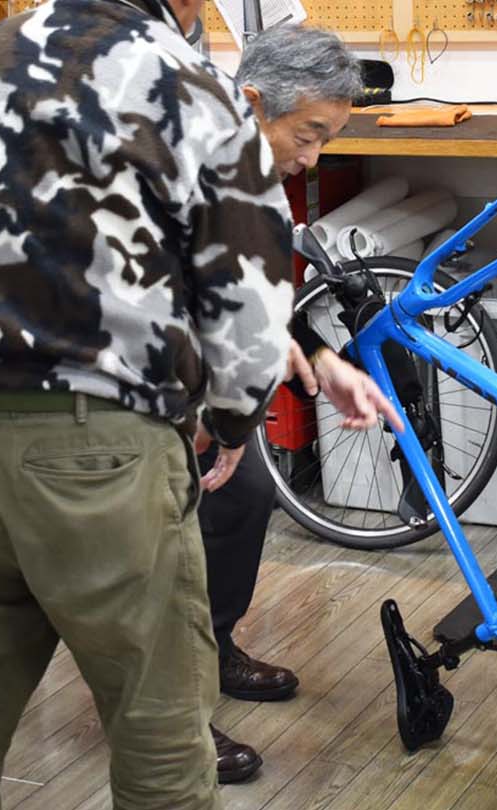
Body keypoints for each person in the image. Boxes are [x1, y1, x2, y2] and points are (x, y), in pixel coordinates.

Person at [0, 0, 297, 807]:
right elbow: (252, 304)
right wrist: (231, 420)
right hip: (99, 444)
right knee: (161, 739)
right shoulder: (191, 80)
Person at [195, 24, 403, 784]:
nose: (312, 159)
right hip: (135, 385)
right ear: (253, 102)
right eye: (308, 135)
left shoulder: (256, 180)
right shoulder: (182, 163)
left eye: (326, 140)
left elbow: (258, 306)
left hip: (208, 383)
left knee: (246, 492)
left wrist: (321, 362)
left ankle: (212, 647)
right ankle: (172, 716)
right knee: (160, 531)